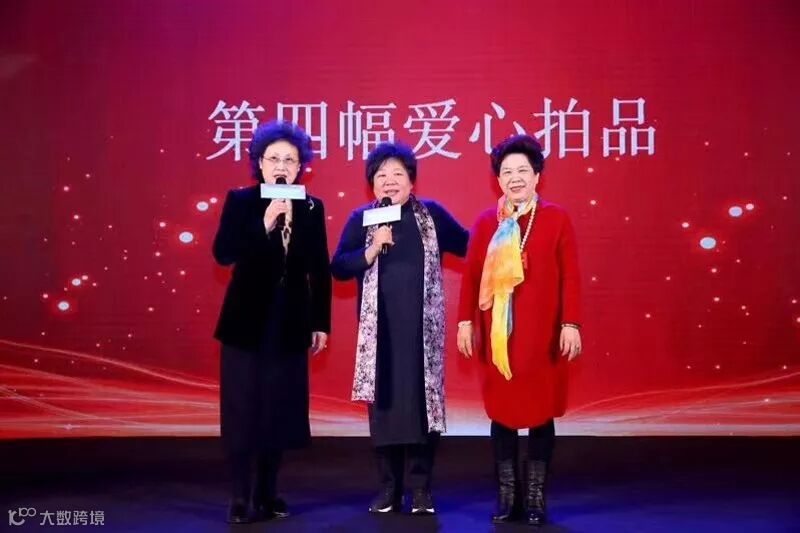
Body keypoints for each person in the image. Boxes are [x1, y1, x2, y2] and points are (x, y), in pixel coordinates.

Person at [331, 142, 468, 515]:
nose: (389, 181)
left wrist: (504, 225)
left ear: (411, 181)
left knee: (423, 412)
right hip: (381, 337)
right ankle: (389, 489)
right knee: (385, 411)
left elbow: (471, 245)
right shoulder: (362, 218)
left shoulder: (432, 215)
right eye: (381, 175)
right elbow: (338, 266)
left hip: (422, 338)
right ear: (372, 183)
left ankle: (421, 489)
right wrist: (371, 250)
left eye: (397, 174)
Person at [456, 134, 582, 525]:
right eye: (507, 172)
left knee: (542, 413)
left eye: (523, 171)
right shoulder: (486, 222)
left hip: (543, 333)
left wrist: (571, 323)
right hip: (499, 335)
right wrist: (465, 322)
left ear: (537, 176)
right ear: (498, 179)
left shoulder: (556, 218)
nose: (515, 178)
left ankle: (536, 499)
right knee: (502, 414)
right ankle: (508, 497)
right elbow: (471, 277)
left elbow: (570, 276)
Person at [212, 120, 332, 524]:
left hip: (290, 320)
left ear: (301, 167)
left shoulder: (312, 207)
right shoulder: (241, 201)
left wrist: (321, 322)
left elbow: (319, 268)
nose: (282, 166)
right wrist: (263, 224)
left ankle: (268, 491)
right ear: (259, 163)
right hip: (246, 322)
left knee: (278, 408)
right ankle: (239, 496)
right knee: (243, 409)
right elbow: (223, 253)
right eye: (274, 159)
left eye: (290, 160)